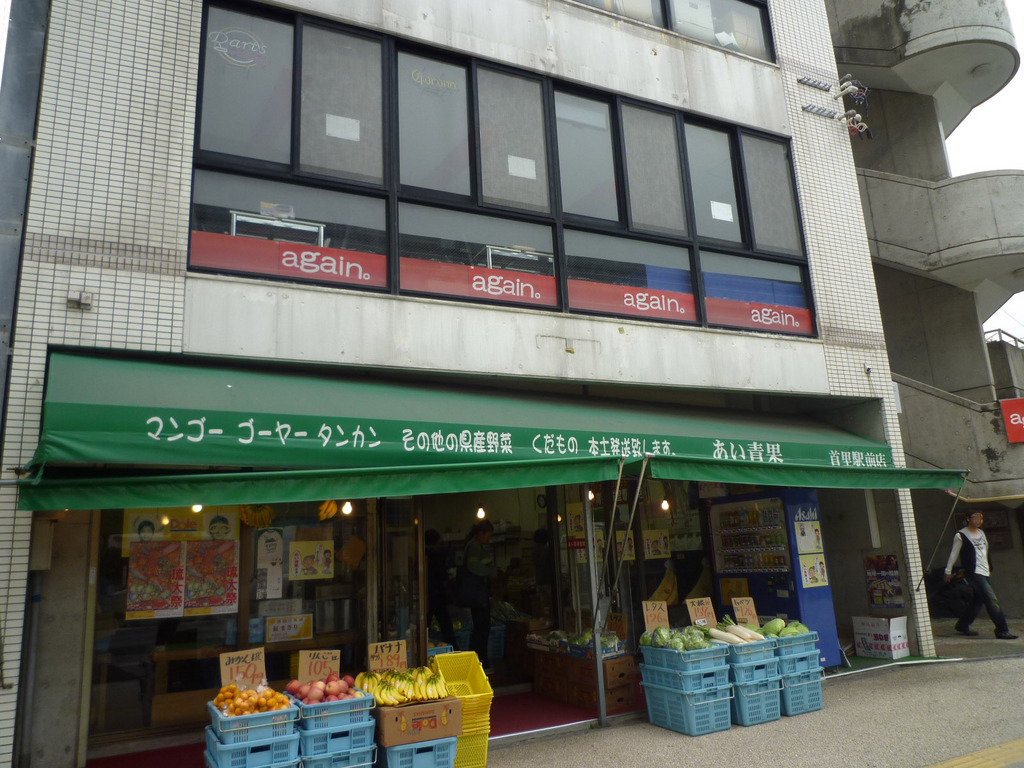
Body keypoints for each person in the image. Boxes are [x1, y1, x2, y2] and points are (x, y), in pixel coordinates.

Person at [944, 510, 1018, 639]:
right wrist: (947, 571)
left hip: (985, 571)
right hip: (973, 572)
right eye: (975, 518)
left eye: (981, 518)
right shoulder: (960, 535)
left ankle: (962, 625)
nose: (979, 520)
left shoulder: (981, 533)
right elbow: (953, 554)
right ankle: (1002, 630)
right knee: (992, 600)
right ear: (968, 519)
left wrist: (989, 567)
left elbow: (985, 552)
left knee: (977, 601)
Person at [463, 520, 496, 668]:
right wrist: (491, 572)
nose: (489, 539)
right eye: (488, 535)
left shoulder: (474, 545)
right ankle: (481, 662)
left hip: (478, 594)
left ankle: (477, 662)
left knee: (480, 628)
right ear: (481, 534)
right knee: (482, 628)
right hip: (478, 594)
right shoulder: (475, 546)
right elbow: (473, 566)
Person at [425, 529, 457, 648]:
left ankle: (423, 647)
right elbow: (443, 575)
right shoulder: (438, 555)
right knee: (446, 626)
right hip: (438, 594)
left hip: (427, 594)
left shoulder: (421, 554)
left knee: (426, 625)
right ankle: (454, 649)